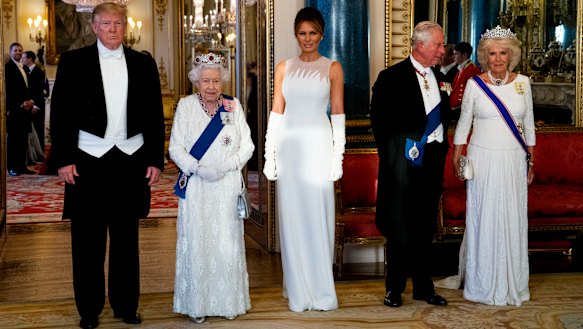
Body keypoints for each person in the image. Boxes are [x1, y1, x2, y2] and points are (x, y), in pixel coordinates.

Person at [49, 3, 165, 329]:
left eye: (118, 23)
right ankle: (89, 309)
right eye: (106, 23)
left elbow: (154, 114)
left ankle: (127, 305)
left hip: (131, 161)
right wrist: (64, 159)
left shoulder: (143, 63)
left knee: (127, 240)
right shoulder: (73, 62)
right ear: (94, 27)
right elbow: (60, 114)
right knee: (87, 241)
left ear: (125, 27)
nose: (113, 29)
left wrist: (156, 159)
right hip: (88, 161)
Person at [440, 25, 535, 307]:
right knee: (485, 216)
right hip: (482, 159)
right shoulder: (474, 84)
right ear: (484, 56)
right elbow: (464, 122)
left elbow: (528, 124)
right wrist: (458, 153)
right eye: (492, 54)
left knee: (512, 216)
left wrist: (531, 158)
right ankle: (482, 283)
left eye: (503, 53)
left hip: (513, 159)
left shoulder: (523, 84)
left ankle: (512, 281)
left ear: (511, 55)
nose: (497, 59)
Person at [263, 7, 345, 312]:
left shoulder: (333, 68)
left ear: (321, 34)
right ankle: (298, 288)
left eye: (312, 33)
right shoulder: (284, 67)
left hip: (320, 147)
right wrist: (269, 155)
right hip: (290, 149)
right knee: (293, 218)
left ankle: (321, 291)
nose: (307, 39)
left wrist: (337, 157)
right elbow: (276, 114)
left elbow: (338, 115)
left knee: (319, 216)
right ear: (295, 35)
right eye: (301, 33)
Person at [369, 21, 451, 308]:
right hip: (403, 165)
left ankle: (423, 287)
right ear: (420, 45)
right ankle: (394, 288)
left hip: (432, 163)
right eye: (438, 45)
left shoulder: (441, 78)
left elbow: (444, 116)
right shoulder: (391, 78)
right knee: (399, 227)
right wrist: (402, 152)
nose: (443, 50)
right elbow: (379, 123)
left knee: (424, 226)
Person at [169, 52, 254, 324]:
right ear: (196, 82)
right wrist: (198, 168)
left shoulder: (232, 106)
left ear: (222, 81)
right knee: (198, 242)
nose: (211, 87)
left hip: (226, 186)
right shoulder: (185, 106)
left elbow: (248, 146)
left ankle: (229, 302)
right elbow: (175, 148)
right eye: (205, 80)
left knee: (226, 244)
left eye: (216, 81)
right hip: (197, 188)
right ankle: (197, 304)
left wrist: (227, 166)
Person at [5, 42, 35, 176]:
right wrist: (21, 104)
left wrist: (31, 101)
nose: (18, 53)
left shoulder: (25, 68)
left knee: (23, 139)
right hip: (15, 109)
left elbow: (29, 89)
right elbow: (8, 90)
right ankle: (12, 167)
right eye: (15, 50)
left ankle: (22, 166)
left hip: (25, 110)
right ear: (11, 52)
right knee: (13, 140)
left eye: (20, 51)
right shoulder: (7, 68)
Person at [22, 50, 47, 161]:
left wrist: (37, 105)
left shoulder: (39, 72)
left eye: (24, 58)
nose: (22, 60)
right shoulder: (24, 70)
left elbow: (39, 90)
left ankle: (40, 151)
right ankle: (32, 153)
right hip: (28, 105)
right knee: (30, 130)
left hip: (37, 105)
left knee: (38, 128)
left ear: (30, 59)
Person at [450, 42, 481, 120]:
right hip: (456, 109)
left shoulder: (472, 70)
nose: (454, 56)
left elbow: (474, 94)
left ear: (464, 55)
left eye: (456, 54)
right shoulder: (461, 69)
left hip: (463, 110)